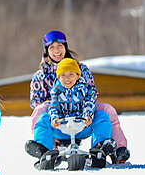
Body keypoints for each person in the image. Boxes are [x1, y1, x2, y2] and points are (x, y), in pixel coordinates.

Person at [27, 30, 130, 163]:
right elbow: (36, 102)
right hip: (56, 115)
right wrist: (57, 108)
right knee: (40, 111)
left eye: (59, 46)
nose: (56, 50)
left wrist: (85, 110)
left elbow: (91, 93)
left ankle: (113, 149)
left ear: (65, 47)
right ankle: (46, 150)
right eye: (52, 47)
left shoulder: (81, 69)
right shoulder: (41, 75)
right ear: (47, 51)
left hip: (82, 111)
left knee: (106, 110)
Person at [26, 58, 116, 168]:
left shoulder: (85, 90)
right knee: (44, 118)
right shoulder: (56, 91)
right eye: (63, 75)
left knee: (102, 116)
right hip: (61, 127)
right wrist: (54, 118)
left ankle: (100, 146)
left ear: (78, 76)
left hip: (82, 127)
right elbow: (53, 106)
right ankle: (43, 148)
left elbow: (89, 103)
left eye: (71, 74)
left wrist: (87, 115)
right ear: (58, 77)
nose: (67, 78)